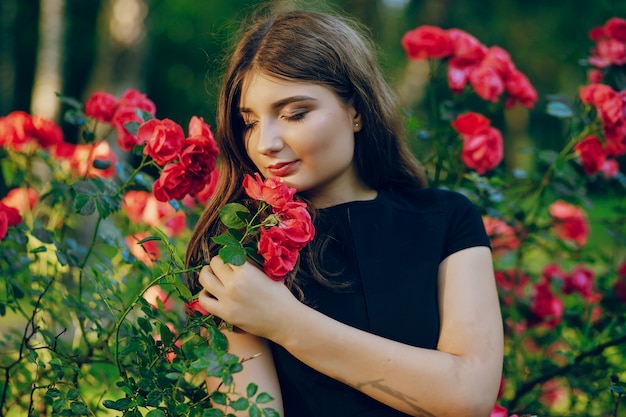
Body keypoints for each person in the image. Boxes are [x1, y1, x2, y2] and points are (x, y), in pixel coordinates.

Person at [185, 5, 503, 417]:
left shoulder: (447, 219)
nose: (265, 143)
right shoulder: (239, 251)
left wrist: (285, 322)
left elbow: (470, 396)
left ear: (355, 109)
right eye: (249, 122)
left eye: (295, 113)